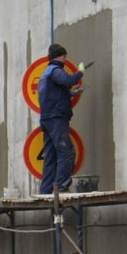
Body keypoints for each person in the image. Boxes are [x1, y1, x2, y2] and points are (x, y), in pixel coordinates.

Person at [37, 43, 84, 194]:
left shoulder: (46, 75)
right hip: (56, 117)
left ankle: (45, 192)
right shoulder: (55, 70)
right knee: (66, 152)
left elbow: (55, 93)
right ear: (58, 56)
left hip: (48, 118)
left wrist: (71, 94)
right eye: (64, 56)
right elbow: (69, 80)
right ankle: (61, 187)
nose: (65, 59)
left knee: (50, 157)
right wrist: (80, 73)